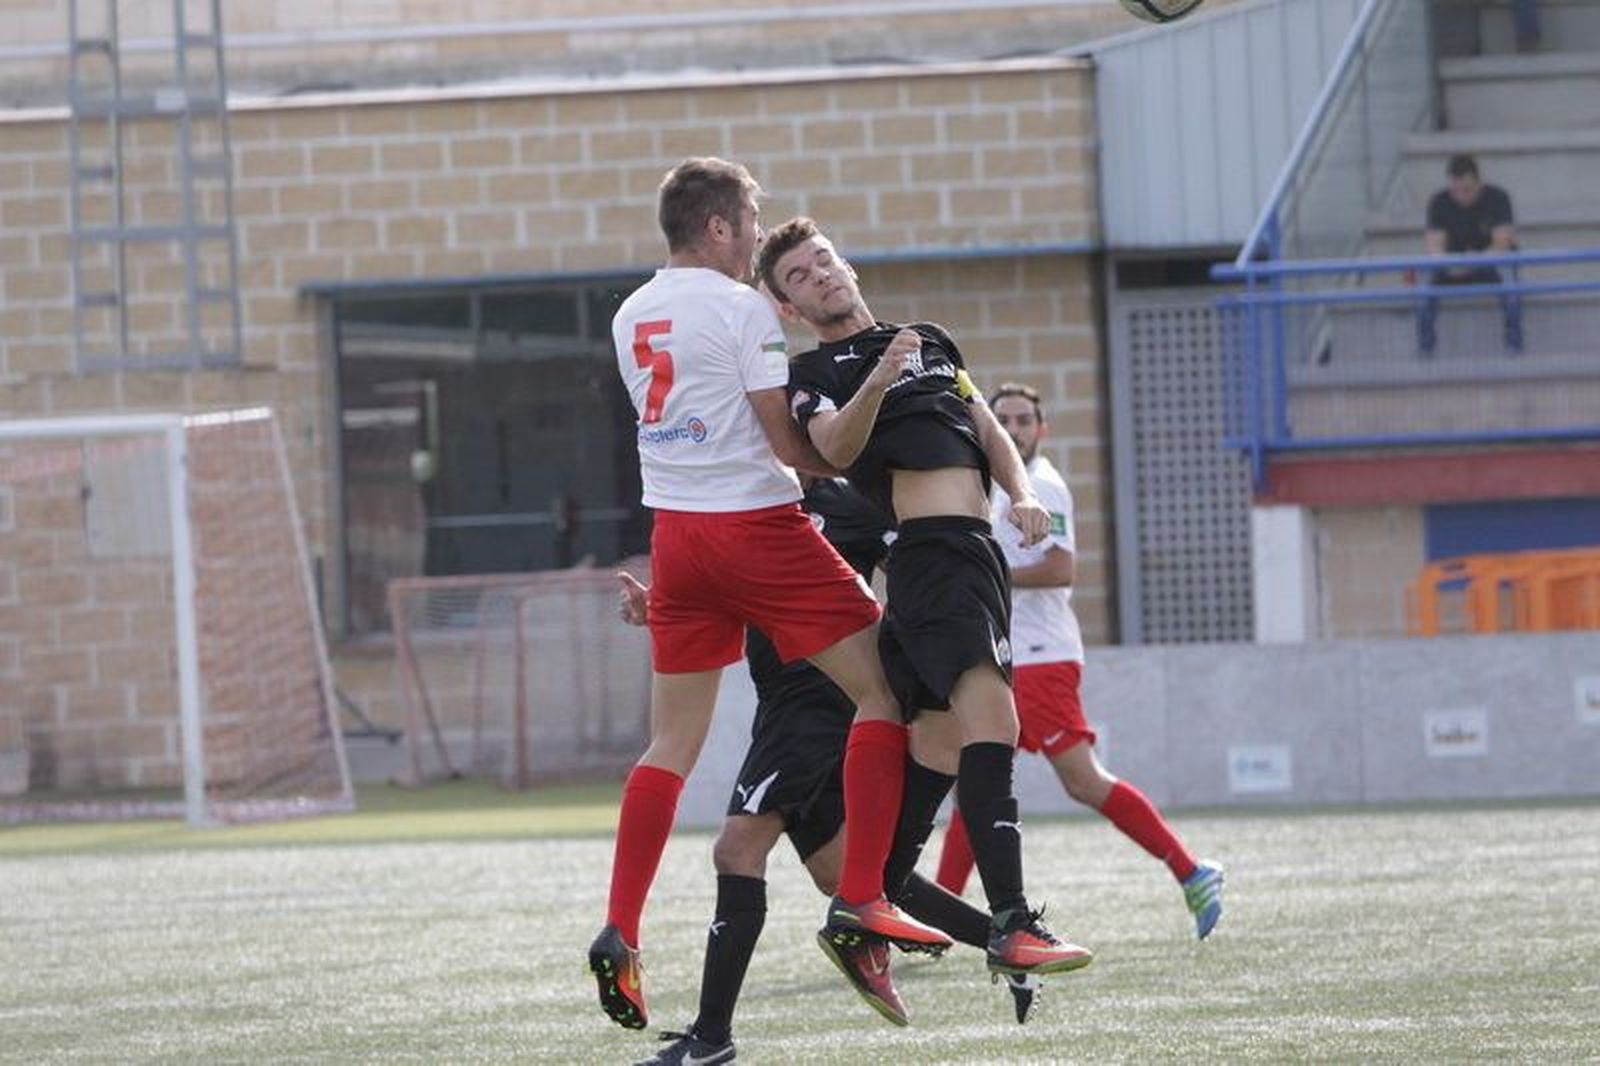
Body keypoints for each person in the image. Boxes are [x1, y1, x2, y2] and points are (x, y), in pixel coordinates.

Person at [591, 159, 950, 1033]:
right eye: (748, 222)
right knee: (884, 690)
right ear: (716, 226)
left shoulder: (630, 311)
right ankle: (862, 898)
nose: (755, 237)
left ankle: (620, 929)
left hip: (674, 540)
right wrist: (864, 418)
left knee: (668, 745)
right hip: (754, 529)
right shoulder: (743, 307)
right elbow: (794, 450)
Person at [757, 216, 1094, 1006]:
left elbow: (982, 426)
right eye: (800, 277)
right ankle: (1011, 922)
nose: (822, 276)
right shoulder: (817, 370)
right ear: (791, 307)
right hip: (931, 551)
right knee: (994, 724)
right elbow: (834, 449)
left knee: (940, 744)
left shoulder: (930, 340)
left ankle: (866, 902)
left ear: (848, 265)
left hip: (972, 554)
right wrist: (879, 376)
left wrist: (1019, 494)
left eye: (824, 261)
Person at [620, 479, 1041, 1066]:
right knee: (842, 875)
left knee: (737, 851)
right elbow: (726, 591)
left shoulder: (854, 504)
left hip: (818, 703)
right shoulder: (743, 502)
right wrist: (661, 604)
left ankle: (710, 1038)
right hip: (780, 705)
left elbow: (917, 582)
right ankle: (1004, 944)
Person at [932, 382, 1225, 940]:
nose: (1014, 429)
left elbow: (1061, 569)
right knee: (978, 782)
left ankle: (1191, 871)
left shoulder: (1041, 485)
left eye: (1024, 420)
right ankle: (942, 914)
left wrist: (985, 579)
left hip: (1042, 657)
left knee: (1081, 781)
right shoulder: (994, 486)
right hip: (1010, 654)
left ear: (1041, 430)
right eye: (1005, 420)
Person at [1419, 154, 1522, 356]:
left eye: (1467, 190)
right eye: (1455, 191)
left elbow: (1502, 243)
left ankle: (1514, 346)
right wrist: (1450, 263)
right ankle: (1425, 351)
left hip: (1490, 265)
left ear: (1479, 182)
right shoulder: (1439, 202)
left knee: (1511, 285)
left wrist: (1477, 260)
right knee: (1423, 290)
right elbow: (1433, 247)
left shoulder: (1498, 198)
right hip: (1452, 268)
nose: (1461, 196)